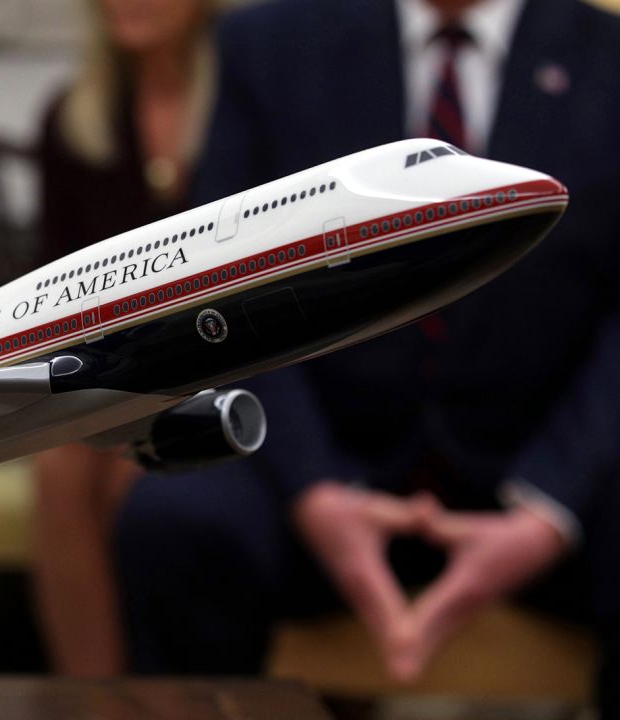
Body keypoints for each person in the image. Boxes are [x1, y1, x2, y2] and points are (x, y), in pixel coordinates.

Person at [114, 0, 620, 712]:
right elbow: (224, 286)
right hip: (322, 458)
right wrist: (316, 489)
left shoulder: (607, 57)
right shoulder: (270, 45)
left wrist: (550, 510)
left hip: (542, 467)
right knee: (174, 523)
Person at [31, 0, 217, 676]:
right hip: (114, 367)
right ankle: (97, 696)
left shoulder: (246, 99)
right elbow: (50, 282)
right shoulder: (75, 120)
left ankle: (160, 687)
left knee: (133, 465)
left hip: (233, 358)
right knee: (63, 464)